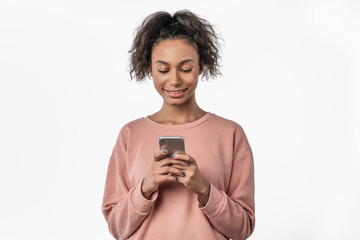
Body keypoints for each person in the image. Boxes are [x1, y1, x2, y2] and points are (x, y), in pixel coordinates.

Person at [101, 9, 255, 240]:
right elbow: (117, 228)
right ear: (149, 68)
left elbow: (242, 229)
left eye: (186, 68)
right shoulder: (130, 134)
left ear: (201, 66)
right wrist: (146, 187)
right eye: (163, 69)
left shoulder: (230, 134)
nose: (174, 80)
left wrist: (204, 189)